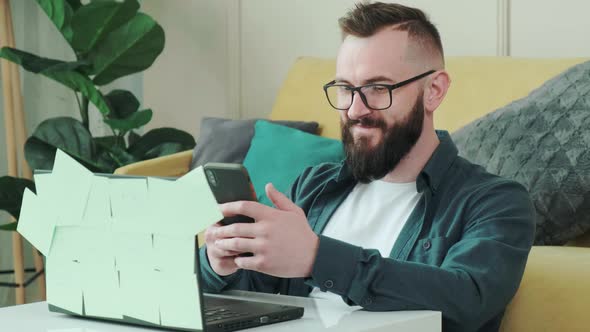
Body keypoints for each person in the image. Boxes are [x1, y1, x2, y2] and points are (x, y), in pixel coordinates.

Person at [198, 2, 535, 332]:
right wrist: (222, 262)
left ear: (433, 90)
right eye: (345, 88)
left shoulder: (496, 202)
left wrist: (318, 257)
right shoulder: (315, 186)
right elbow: (257, 287)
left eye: (378, 88)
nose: (356, 110)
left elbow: (466, 300)